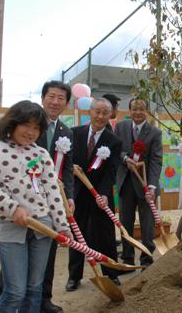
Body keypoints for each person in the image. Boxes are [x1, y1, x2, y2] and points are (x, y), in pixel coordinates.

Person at [0, 101, 72, 313]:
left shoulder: (41, 155)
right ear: (12, 123)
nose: (31, 132)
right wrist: (14, 208)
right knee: (15, 291)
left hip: (43, 226)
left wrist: (62, 226)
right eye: (26, 125)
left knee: (34, 288)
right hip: (11, 225)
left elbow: (52, 192)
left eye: (36, 128)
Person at [66, 98, 122, 290]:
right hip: (77, 192)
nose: (100, 116)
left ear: (110, 115)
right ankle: (74, 276)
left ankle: (111, 273)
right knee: (76, 233)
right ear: (89, 112)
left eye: (105, 113)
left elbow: (111, 171)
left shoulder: (113, 141)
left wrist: (105, 194)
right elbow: (66, 161)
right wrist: (70, 167)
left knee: (105, 233)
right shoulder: (74, 133)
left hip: (99, 194)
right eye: (97, 111)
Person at [114, 98, 162, 269]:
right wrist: (125, 158)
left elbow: (156, 161)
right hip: (126, 182)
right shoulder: (121, 127)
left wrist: (152, 186)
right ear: (129, 111)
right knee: (125, 222)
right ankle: (127, 259)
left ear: (147, 111)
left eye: (141, 109)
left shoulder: (154, 133)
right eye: (134, 109)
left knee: (147, 224)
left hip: (145, 185)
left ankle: (146, 260)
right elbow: (116, 149)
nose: (137, 112)